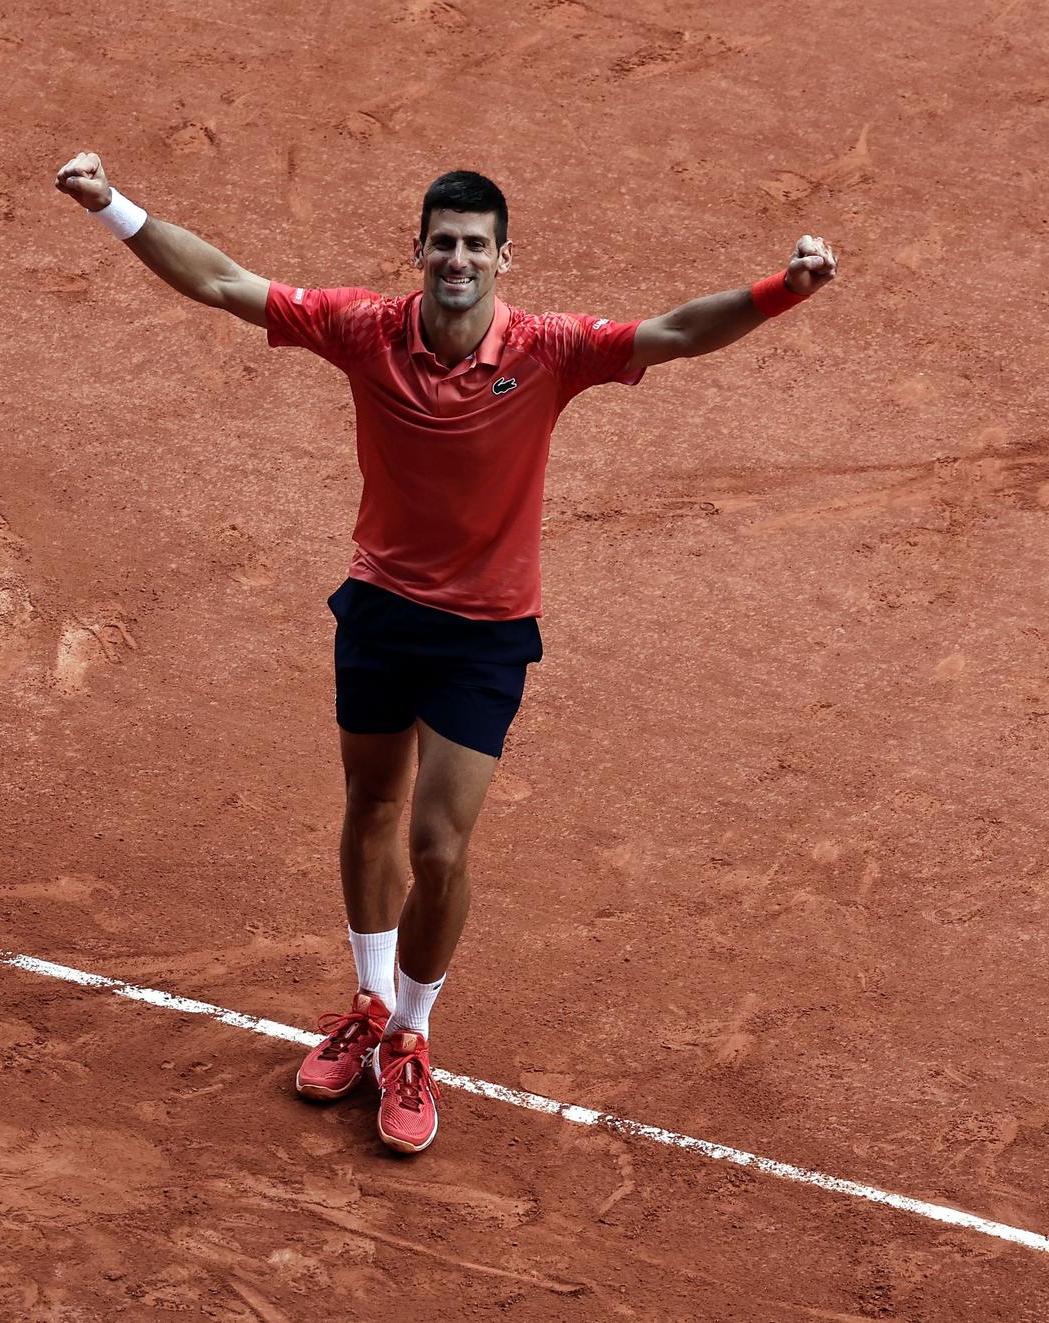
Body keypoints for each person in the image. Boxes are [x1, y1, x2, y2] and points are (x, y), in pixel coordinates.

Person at [54, 152, 837, 1154]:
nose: (455, 258)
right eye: (441, 243)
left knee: (436, 843)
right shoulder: (361, 330)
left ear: (502, 257)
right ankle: (370, 1009)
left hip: (483, 636)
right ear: (416, 253)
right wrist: (108, 203)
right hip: (380, 612)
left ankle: (413, 1036)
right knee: (369, 809)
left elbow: (678, 331)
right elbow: (219, 282)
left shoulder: (551, 349)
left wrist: (784, 288)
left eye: (474, 244)